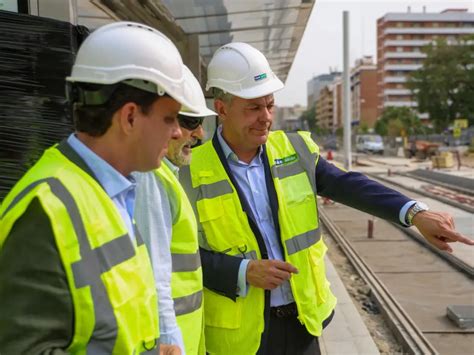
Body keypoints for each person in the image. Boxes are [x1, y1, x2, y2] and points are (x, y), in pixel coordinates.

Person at [180, 42, 474, 355]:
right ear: (222, 109)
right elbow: (180, 257)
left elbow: (348, 184)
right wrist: (242, 272)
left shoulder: (295, 151)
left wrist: (415, 213)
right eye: (253, 108)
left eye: (270, 105)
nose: (265, 117)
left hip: (303, 324)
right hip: (239, 340)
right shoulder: (188, 172)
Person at [0, 21, 200, 354]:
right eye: (170, 119)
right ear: (130, 118)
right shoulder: (45, 211)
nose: (179, 132)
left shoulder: (113, 193)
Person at [134, 66, 216, 355]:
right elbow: (153, 273)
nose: (200, 134)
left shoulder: (163, 176)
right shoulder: (150, 180)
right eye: (191, 121)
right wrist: (169, 337)